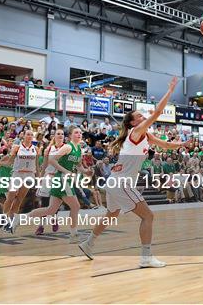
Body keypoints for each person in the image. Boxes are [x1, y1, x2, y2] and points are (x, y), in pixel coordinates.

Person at [78, 77, 189, 268]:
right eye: (139, 116)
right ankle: (146, 257)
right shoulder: (136, 132)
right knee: (148, 216)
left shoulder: (144, 135)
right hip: (121, 183)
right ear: (132, 123)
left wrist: (181, 145)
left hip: (115, 182)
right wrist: (170, 90)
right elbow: (157, 113)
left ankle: (88, 244)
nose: (143, 117)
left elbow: (165, 144)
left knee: (111, 215)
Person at [9, 127, 91, 243]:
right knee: (76, 206)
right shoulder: (68, 147)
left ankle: (19, 218)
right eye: (76, 132)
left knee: (51, 210)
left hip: (62, 180)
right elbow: (52, 160)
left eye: (80, 132)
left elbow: (78, 166)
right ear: (70, 136)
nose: (79, 134)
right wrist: (65, 171)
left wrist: (86, 171)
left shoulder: (79, 149)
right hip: (61, 179)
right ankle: (73, 234)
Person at [2, 129, 38, 230]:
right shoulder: (17, 147)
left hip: (30, 175)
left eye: (31, 135)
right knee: (10, 197)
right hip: (17, 174)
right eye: (28, 134)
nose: (29, 136)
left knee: (19, 199)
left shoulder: (36, 149)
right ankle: (4, 217)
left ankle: (11, 219)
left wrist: (39, 177)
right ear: (24, 136)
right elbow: (9, 162)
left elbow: (37, 165)